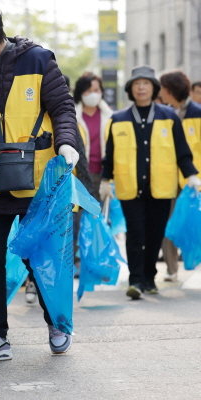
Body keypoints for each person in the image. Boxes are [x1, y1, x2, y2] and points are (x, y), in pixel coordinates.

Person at [0, 3, 80, 364]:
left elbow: (63, 108)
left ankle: (58, 324)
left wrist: (67, 142)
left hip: (38, 184)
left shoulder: (38, 61)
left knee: (43, 260)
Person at [100, 66, 200, 299]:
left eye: (146, 83)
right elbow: (110, 154)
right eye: (137, 84)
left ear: (154, 88)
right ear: (130, 89)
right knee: (136, 234)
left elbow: (182, 151)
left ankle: (149, 277)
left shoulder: (169, 116)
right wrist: (106, 180)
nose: (141, 88)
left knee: (155, 234)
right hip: (130, 187)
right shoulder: (119, 119)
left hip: (161, 188)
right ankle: (135, 280)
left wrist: (192, 175)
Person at [157, 69, 201, 282]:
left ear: (170, 90)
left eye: (162, 89)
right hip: (168, 179)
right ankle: (172, 268)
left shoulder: (198, 113)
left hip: (194, 180)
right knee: (170, 224)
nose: (160, 92)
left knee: (194, 222)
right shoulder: (164, 113)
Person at [74, 72, 113, 202]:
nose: (93, 94)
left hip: (105, 175)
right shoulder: (72, 117)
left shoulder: (110, 117)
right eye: (88, 90)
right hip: (80, 175)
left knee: (104, 216)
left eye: (96, 90)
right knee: (81, 217)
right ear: (80, 92)